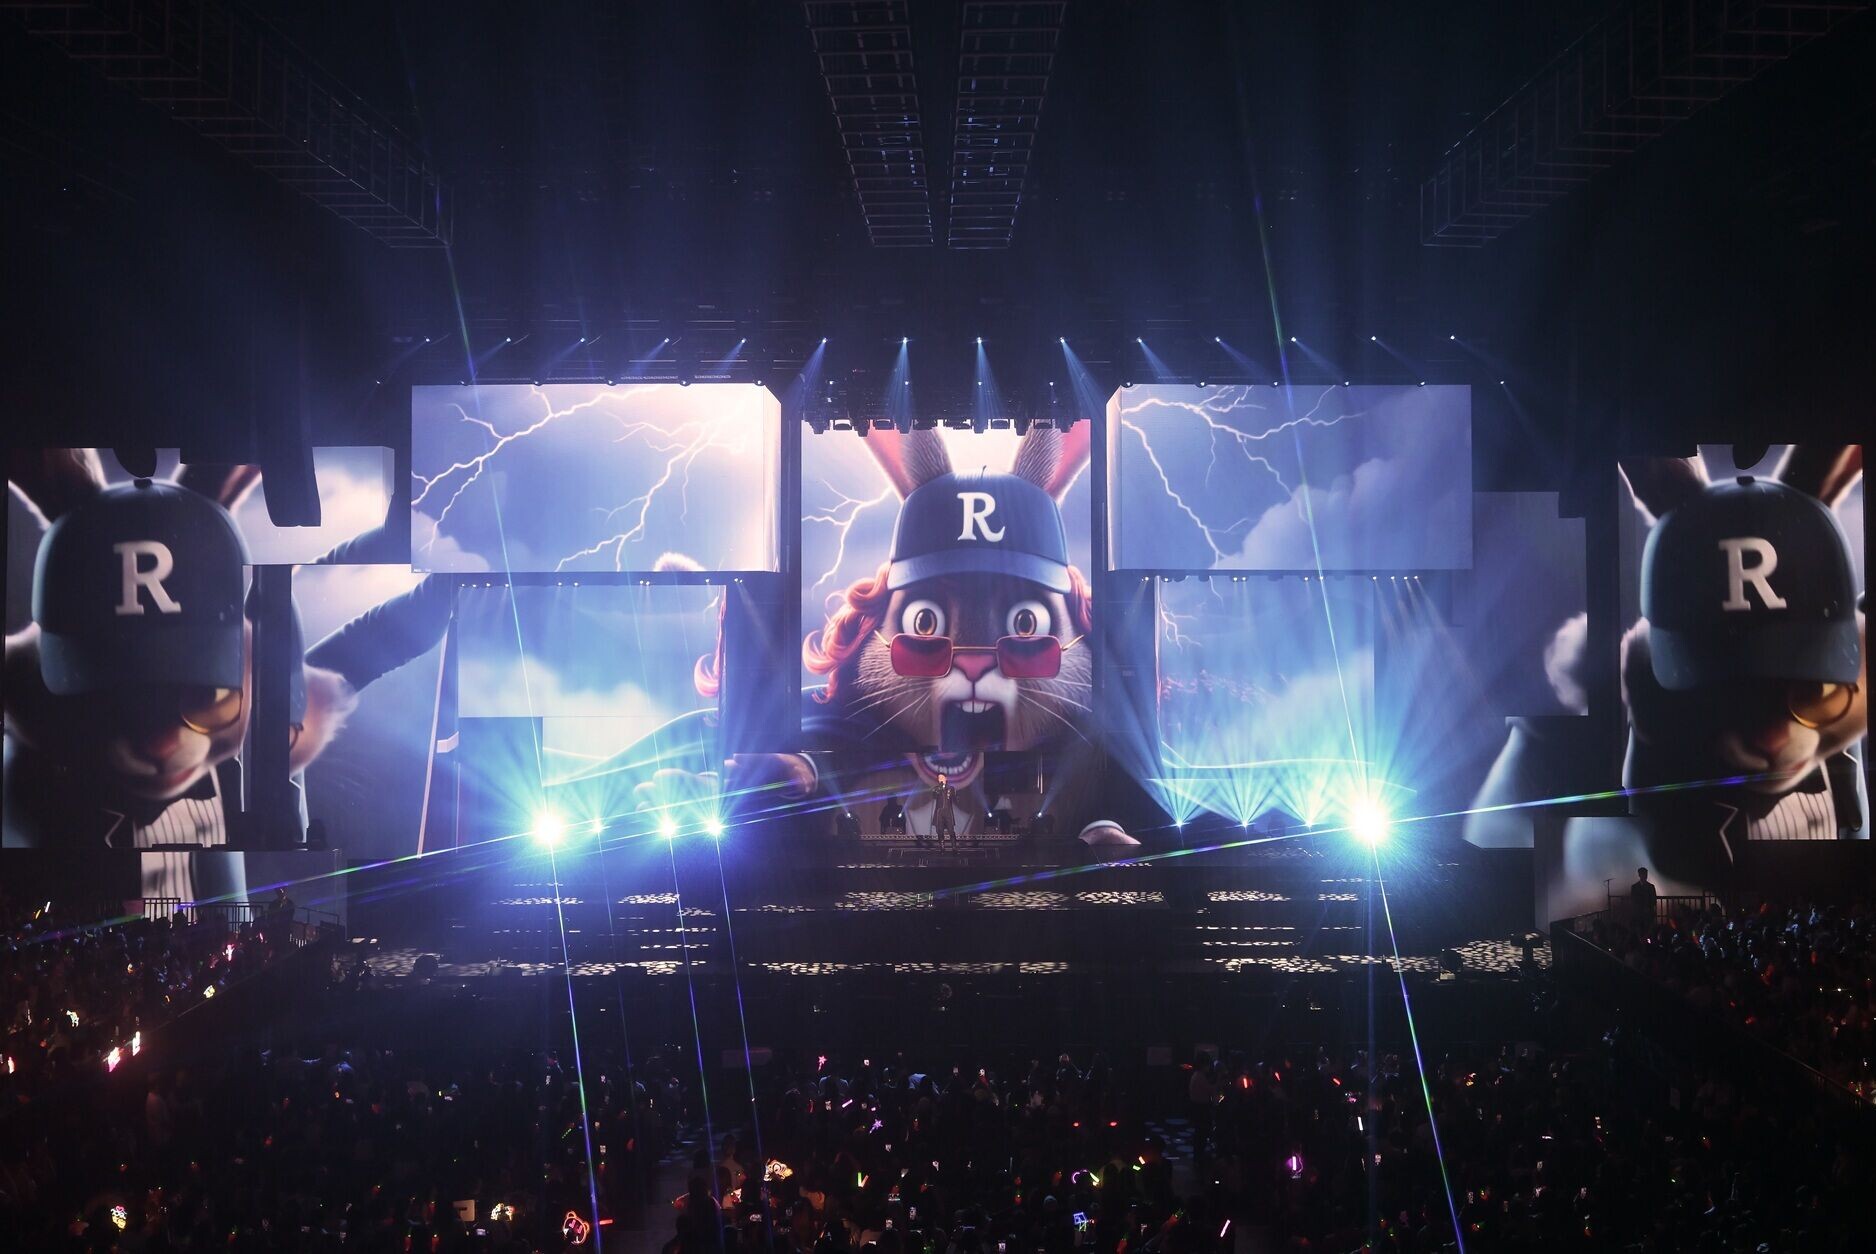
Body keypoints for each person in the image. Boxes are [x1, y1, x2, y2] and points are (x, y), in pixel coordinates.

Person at [932, 771, 957, 847]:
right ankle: (942, 848)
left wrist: (955, 796)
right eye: (939, 778)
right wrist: (940, 787)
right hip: (939, 812)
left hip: (948, 812)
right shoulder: (936, 788)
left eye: (942, 777)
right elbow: (934, 796)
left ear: (946, 778)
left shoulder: (950, 788)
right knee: (940, 831)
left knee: (951, 831)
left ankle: (954, 847)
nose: (940, 779)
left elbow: (954, 799)